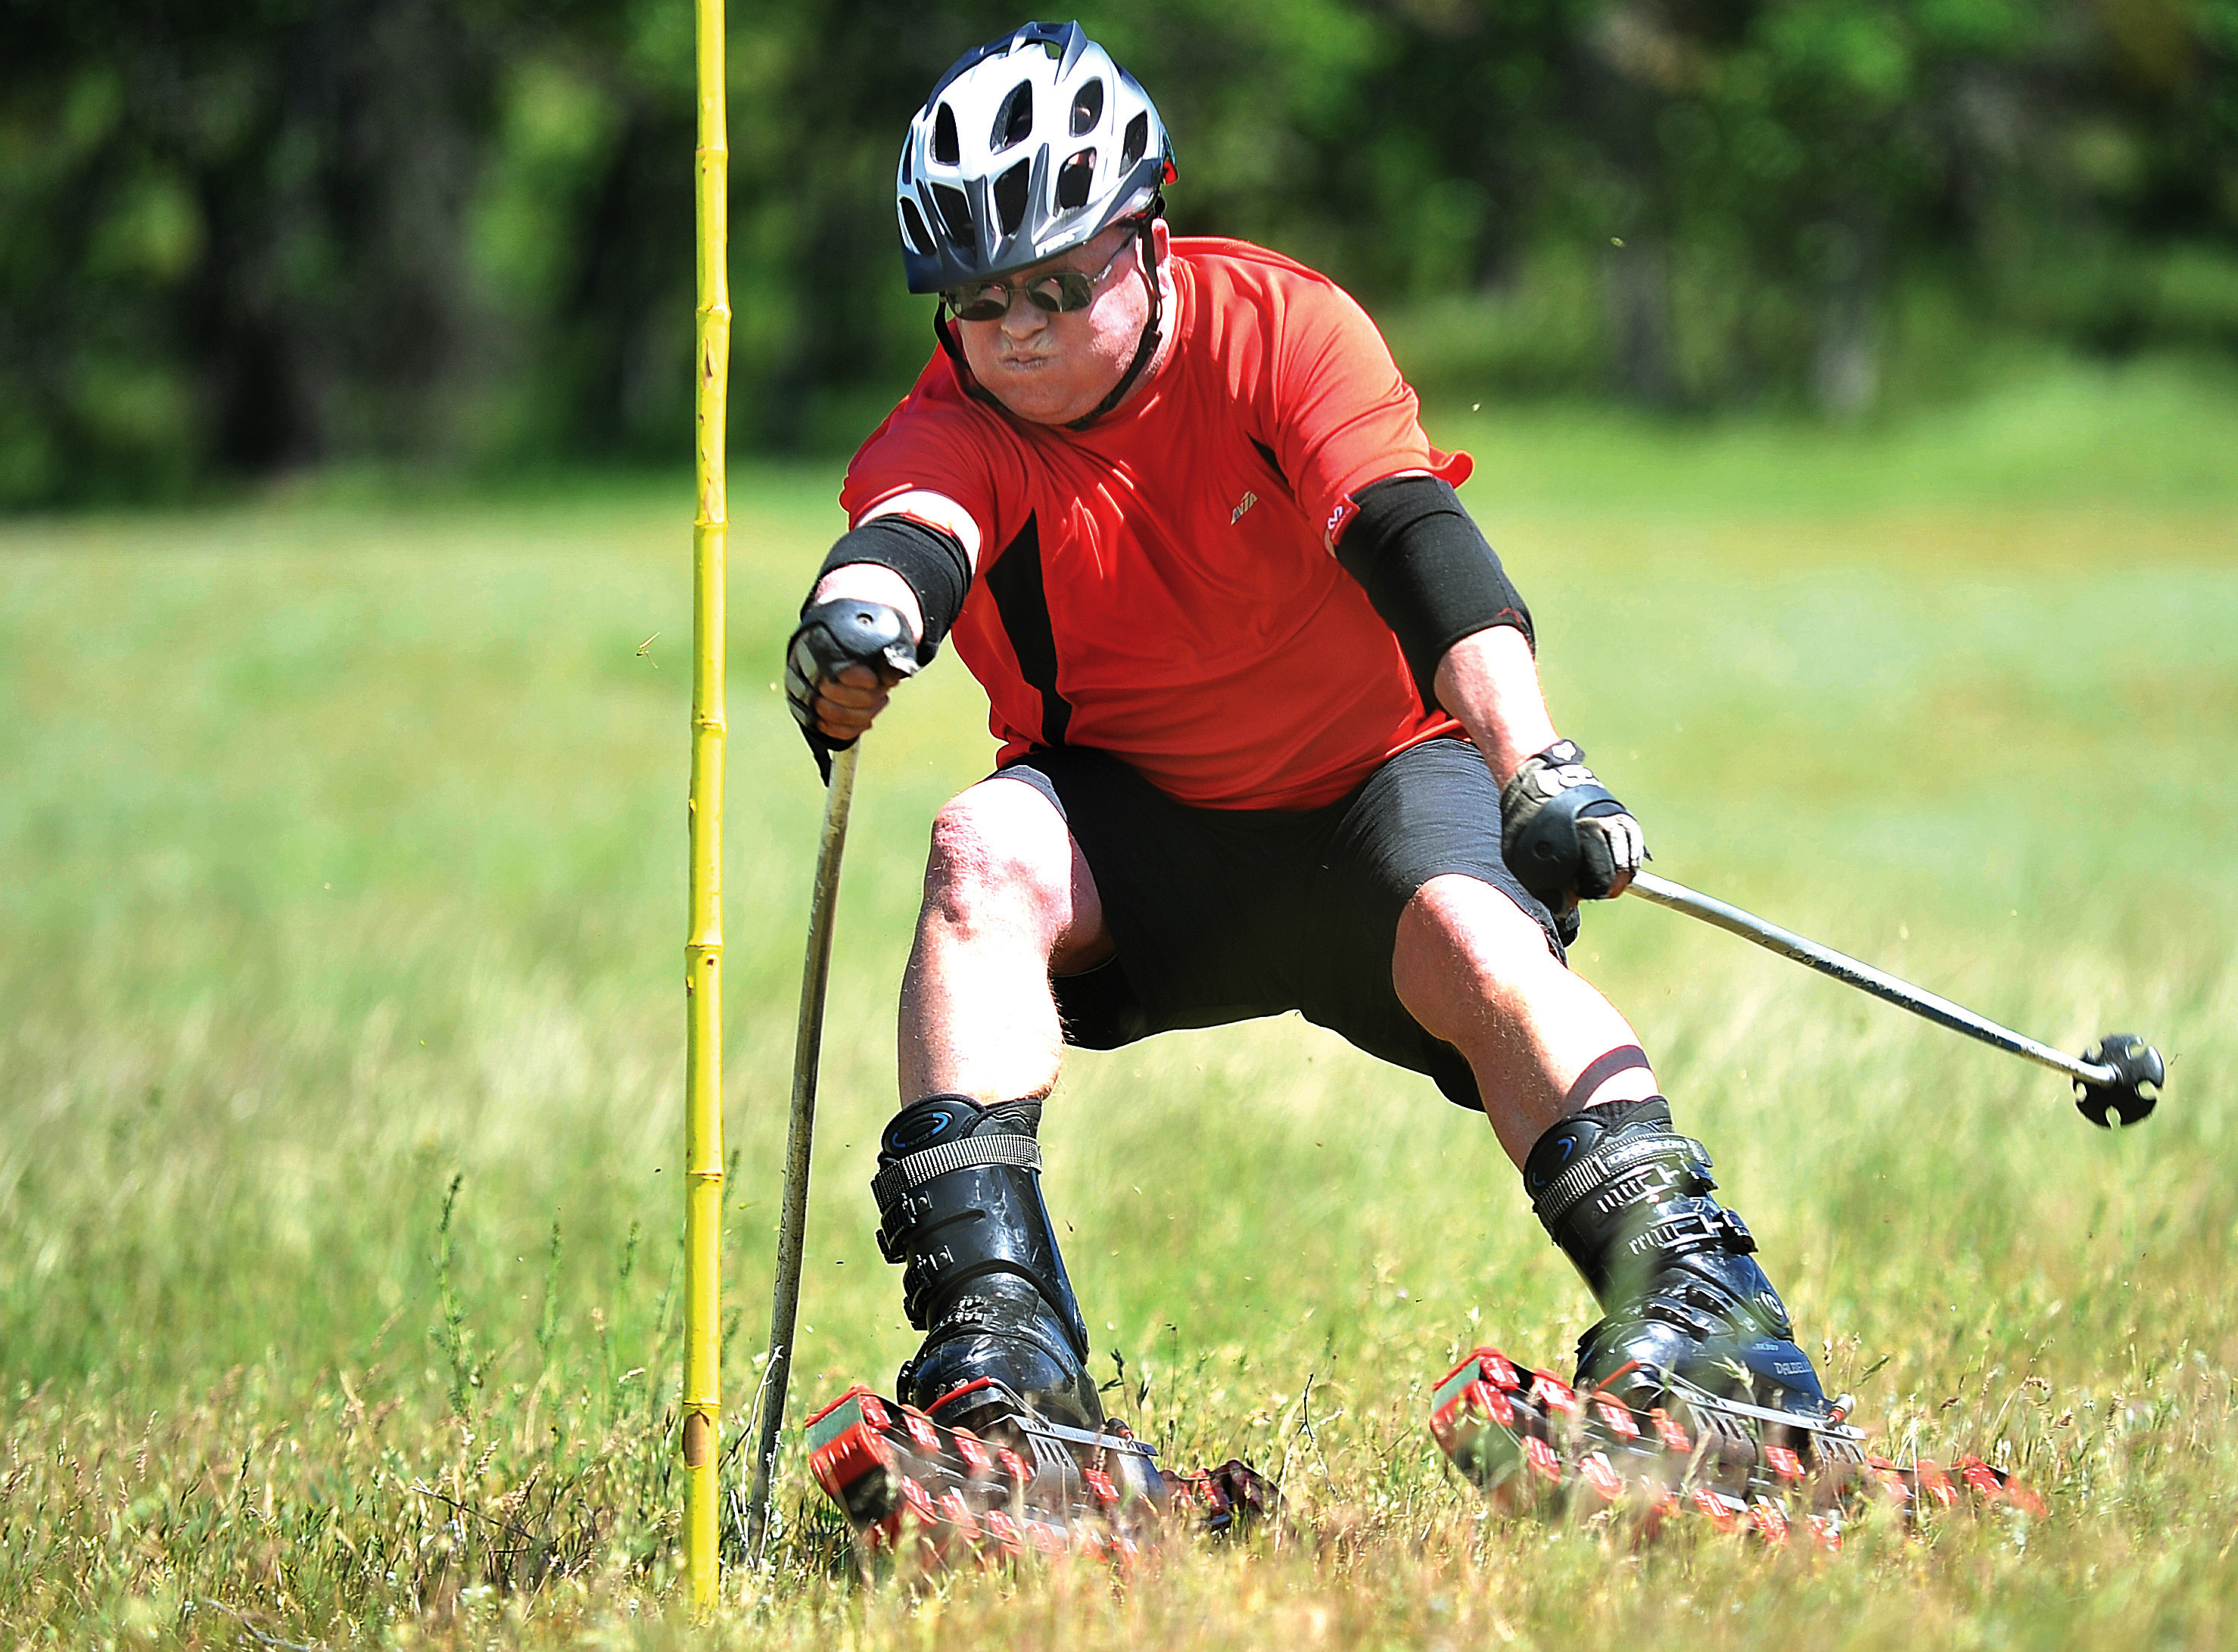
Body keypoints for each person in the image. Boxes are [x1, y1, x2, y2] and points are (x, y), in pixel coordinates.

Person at [786, 22, 1827, 1438]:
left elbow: (1419, 543)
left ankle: (1706, 1323)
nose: (1015, 326)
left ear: (1143, 234)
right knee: (979, 843)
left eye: (1052, 282)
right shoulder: (959, 420)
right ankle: (1002, 1364)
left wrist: (1536, 769)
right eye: (973, 302)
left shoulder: (1279, 328)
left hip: (1380, 794)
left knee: (1476, 931)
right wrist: (853, 623)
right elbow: (907, 531)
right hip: (1140, 832)